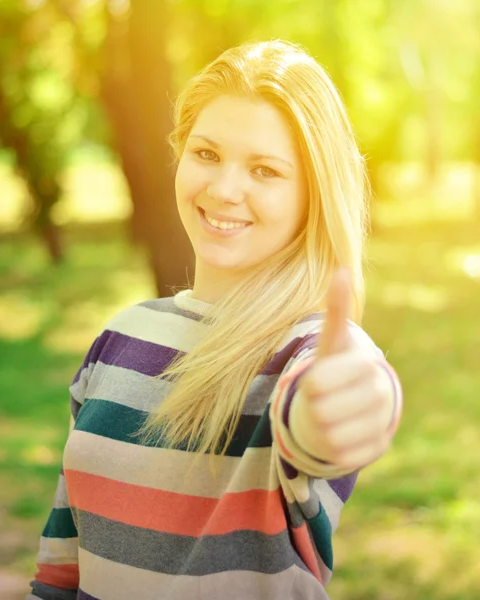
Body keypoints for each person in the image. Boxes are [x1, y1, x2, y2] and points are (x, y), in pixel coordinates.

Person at [26, 39, 402, 600]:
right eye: (206, 154)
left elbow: (329, 418)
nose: (224, 190)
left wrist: (348, 407)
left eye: (265, 170)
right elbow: (61, 568)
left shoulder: (310, 353)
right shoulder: (121, 338)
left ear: (312, 194)